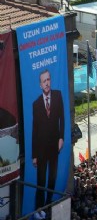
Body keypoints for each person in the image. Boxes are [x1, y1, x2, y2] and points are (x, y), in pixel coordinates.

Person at [32, 69, 64, 209]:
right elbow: (35, 130)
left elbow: (62, 118)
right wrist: (34, 155)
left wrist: (61, 137)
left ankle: (48, 203)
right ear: (40, 85)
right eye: (44, 81)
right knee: (41, 180)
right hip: (41, 149)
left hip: (54, 146)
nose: (46, 83)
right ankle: (39, 208)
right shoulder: (36, 104)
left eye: (48, 80)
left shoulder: (58, 95)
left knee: (52, 178)